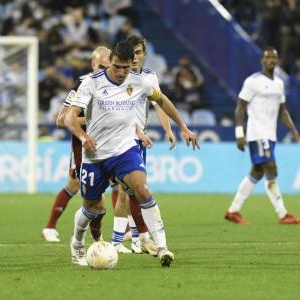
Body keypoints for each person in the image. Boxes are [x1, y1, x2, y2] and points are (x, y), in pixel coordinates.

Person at [65, 41, 199, 267]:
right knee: (92, 207)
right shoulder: (91, 83)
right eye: (117, 67)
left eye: (126, 68)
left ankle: (162, 247)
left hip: (125, 150)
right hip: (96, 155)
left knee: (141, 189)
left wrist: (183, 127)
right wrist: (82, 136)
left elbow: (162, 100)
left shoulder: (139, 82)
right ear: (110, 62)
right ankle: (77, 242)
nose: (121, 72)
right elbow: (69, 117)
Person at [110, 35, 176, 256]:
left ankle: (130, 239)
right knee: (130, 190)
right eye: (132, 53)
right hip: (120, 139)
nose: (136, 57)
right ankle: (135, 238)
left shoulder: (149, 78)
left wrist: (168, 129)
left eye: (139, 53)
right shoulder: (119, 77)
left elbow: (159, 104)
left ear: (144, 54)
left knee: (131, 191)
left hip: (140, 139)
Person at [225, 47, 300, 225]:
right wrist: (239, 133)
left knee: (257, 172)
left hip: (270, 135)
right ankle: (283, 214)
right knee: (272, 169)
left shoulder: (279, 83)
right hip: (257, 133)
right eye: (268, 58)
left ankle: (233, 211)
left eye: (274, 58)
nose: (271, 61)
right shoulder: (253, 82)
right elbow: (240, 107)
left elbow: (282, 111)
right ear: (262, 60)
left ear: (277, 61)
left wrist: (292, 129)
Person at [41, 46, 111, 242]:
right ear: (92, 65)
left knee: (121, 188)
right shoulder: (82, 85)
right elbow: (61, 120)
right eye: (100, 66)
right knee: (85, 194)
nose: (104, 71)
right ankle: (57, 229)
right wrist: (92, 119)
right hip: (84, 148)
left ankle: (130, 232)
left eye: (108, 66)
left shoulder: (116, 84)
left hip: (111, 146)